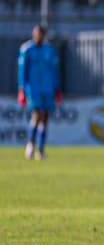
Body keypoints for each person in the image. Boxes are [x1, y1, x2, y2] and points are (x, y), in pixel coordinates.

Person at [17, 24, 63, 160]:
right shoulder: (27, 49)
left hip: (48, 88)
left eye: (41, 34)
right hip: (33, 88)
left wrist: (57, 89)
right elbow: (22, 71)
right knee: (37, 115)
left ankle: (41, 149)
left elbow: (54, 70)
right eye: (37, 33)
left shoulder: (49, 50)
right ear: (34, 34)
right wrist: (21, 89)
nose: (39, 36)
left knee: (45, 117)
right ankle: (31, 144)